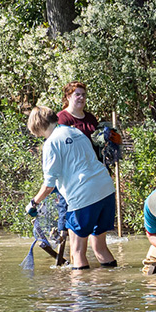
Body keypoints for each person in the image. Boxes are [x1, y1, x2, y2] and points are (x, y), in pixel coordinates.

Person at [24, 107, 117, 270]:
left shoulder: (51, 143)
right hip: (106, 189)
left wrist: (33, 203)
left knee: (77, 251)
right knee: (100, 248)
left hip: (83, 196)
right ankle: (111, 290)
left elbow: (48, 185)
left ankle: (78, 294)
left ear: (37, 126)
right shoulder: (76, 132)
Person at [51, 82, 101, 244]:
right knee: (66, 207)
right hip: (70, 174)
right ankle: (63, 244)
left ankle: (84, 242)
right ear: (67, 97)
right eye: (77, 94)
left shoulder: (91, 118)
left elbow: (98, 145)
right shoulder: (62, 118)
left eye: (83, 95)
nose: (81, 98)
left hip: (92, 173)